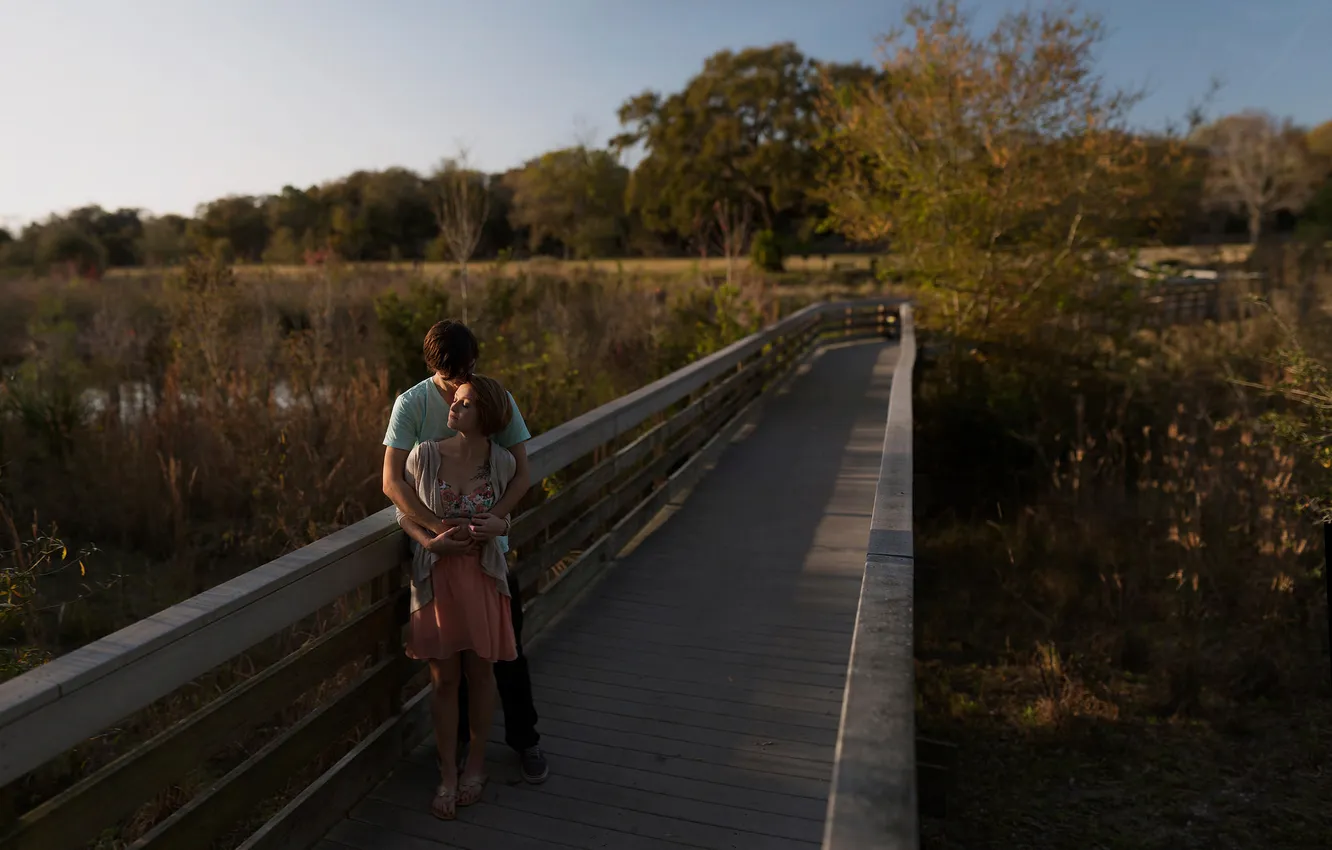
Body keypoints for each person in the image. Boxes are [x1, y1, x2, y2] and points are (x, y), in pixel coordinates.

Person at [381, 322, 549, 785]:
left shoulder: (494, 397)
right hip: (438, 552)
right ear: (433, 367)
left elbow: (521, 472)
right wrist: (436, 531)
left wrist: (497, 520)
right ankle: (452, 760)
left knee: (505, 655)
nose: (459, 384)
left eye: (466, 371)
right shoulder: (411, 404)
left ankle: (524, 739)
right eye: (449, 376)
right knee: (450, 666)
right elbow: (392, 481)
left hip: (490, 551)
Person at [393, 374, 518, 819]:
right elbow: (401, 514)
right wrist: (428, 541)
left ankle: (476, 765)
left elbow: (508, 517)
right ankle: (447, 772)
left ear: (485, 414)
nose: (453, 408)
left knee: (481, 677)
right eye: (455, 401)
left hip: (483, 578)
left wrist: (501, 525)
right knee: (444, 681)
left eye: (465, 404)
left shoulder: (502, 462)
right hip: (438, 578)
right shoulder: (425, 455)